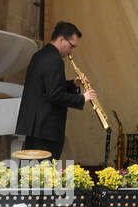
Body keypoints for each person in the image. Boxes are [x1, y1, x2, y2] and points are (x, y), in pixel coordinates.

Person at [14, 21, 96, 157]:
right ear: (62, 39)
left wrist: (73, 84)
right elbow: (55, 95)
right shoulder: (55, 60)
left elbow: (48, 87)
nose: (72, 51)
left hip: (36, 127)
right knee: (44, 173)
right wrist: (82, 98)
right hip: (47, 128)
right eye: (72, 46)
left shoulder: (40, 55)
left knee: (33, 172)